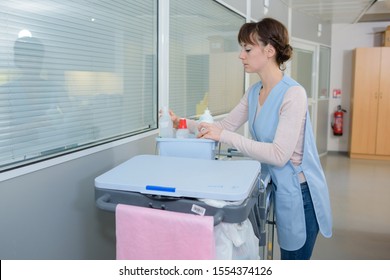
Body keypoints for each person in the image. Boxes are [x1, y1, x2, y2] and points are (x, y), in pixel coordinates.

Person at [167, 17, 332, 260]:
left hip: (300, 193)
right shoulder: (255, 92)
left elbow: (278, 154)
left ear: (269, 50)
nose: (240, 55)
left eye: (247, 49)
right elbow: (223, 126)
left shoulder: (293, 94)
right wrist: (183, 123)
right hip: (273, 185)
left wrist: (226, 136)